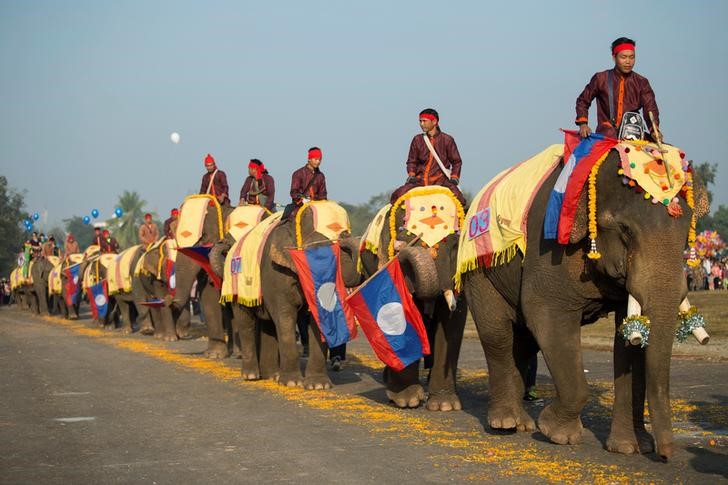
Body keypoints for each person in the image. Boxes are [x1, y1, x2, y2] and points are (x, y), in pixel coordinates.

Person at [575, 37, 660, 140]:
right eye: (623, 57)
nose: (628, 61)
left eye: (632, 57)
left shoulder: (642, 82)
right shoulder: (600, 78)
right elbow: (583, 101)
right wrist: (583, 124)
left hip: (634, 134)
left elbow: (650, 108)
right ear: (614, 57)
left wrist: (654, 130)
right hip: (607, 134)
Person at [390, 108, 465, 206]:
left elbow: (456, 162)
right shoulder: (417, 139)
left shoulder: (447, 140)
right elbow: (412, 161)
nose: (421, 124)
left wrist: (454, 177)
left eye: (424, 121)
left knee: (460, 200)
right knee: (397, 195)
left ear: (434, 122)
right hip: (420, 180)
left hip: (441, 180)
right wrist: (411, 174)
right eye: (420, 121)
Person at [286, 147, 327, 220]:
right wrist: (303, 199)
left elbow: (323, 195)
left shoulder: (321, 176)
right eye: (316, 159)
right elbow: (293, 192)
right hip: (300, 207)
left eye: (320, 159)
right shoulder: (298, 173)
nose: (318, 162)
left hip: (317, 208)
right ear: (309, 159)